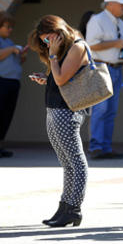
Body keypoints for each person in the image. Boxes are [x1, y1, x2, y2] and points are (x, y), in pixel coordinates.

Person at [27, 15, 90, 227]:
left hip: (68, 110)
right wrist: (46, 78)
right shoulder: (63, 49)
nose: (47, 44)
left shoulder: (76, 46)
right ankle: (65, 206)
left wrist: (52, 56)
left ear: (59, 31)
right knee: (66, 163)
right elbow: (61, 78)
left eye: (48, 39)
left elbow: (62, 78)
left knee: (76, 161)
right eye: (44, 41)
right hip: (55, 107)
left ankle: (74, 208)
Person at [85, 0, 123, 160]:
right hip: (101, 68)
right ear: (110, 4)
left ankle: (106, 147)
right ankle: (96, 147)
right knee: (100, 108)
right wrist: (115, 43)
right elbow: (91, 45)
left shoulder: (121, 23)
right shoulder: (97, 20)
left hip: (117, 68)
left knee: (111, 110)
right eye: (121, 4)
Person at [0, 11, 26, 159]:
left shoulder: (9, 42)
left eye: (11, 27)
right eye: (7, 26)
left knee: (5, 115)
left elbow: (16, 62)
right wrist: (12, 49)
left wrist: (20, 54)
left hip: (11, 82)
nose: (10, 30)